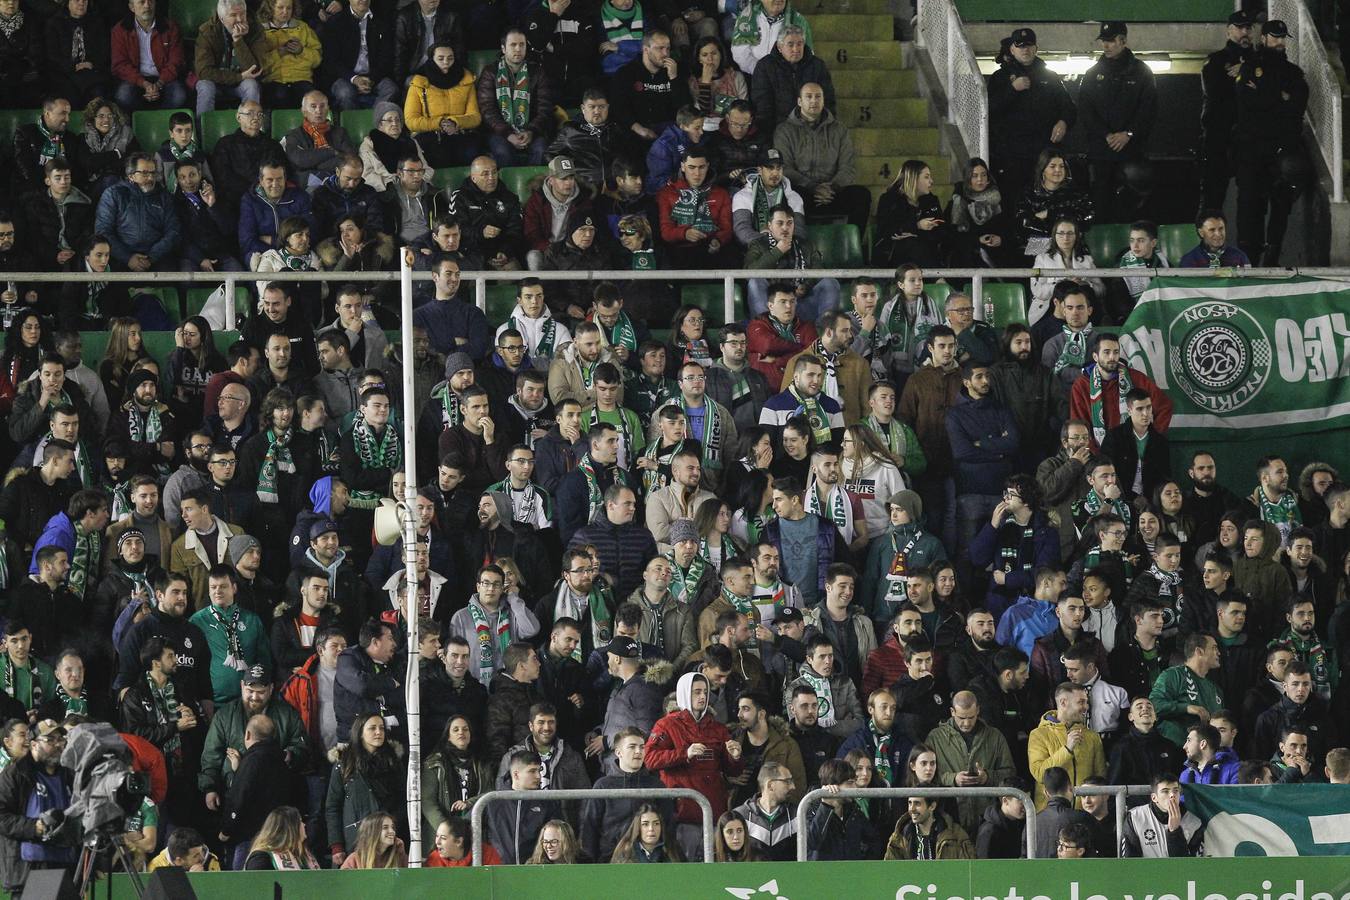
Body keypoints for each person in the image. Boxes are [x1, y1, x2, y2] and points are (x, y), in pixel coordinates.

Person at [644, 671, 744, 860]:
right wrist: (684, 753)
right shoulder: (666, 725)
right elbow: (649, 759)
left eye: (705, 692)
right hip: (682, 813)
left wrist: (735, 757)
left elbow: (733, 771)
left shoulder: (718, 728)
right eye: (696, 692)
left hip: (714, 812)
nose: (703, 696)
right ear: (683, 693)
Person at [1232, 19, 1309, 265]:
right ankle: (1249, 260)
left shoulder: (1294, 73)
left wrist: (1265, 94)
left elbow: (1296, 108)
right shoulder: (1249, 68)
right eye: (1274, 37)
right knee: (1250, 207)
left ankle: (1272, 259)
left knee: (1280, 206)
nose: (1279, 42)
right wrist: (1280, 98)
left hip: (1280, 150)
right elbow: (1246, 106)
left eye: (1282, 37)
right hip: (1252, 151)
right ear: (1263, 38)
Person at [987, 27, 1074, 209]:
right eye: (1020, 46)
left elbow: (1068, 107)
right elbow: (989, 110)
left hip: (1042, 154)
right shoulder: (1000, 78)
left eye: (1029, 46)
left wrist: (1063, 121)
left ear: (1036, 48)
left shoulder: (1050, 77)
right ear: (1012, 49)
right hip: (1011, 155)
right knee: (1013, 201)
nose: (1025, 50)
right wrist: (1012, 90)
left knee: (1045, 202)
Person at [774, 82, 869, 231]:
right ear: (799, 101)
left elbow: (848, 166)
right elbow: (784, 167)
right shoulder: (784, 130)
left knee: (861, 195)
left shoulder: (839, 130)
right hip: (803, 192)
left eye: (818, 97)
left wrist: (831, 188)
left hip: (832, 192)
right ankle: (796, 246)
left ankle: (852, 244)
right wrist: (812, 187)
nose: (814, 101)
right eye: (809, 96)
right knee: (786, 196)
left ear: (824, 100)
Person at [325, 714, 407, 865]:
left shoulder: (394, 763)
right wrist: (336, 845)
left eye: (382, 728)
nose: (378, 732)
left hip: (388, 845)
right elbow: (333, 807)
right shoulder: (344, 764)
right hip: (354, 842)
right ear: (360, 732)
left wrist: (391, 826)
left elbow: (403, 801)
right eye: (372, 728)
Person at [475, 28, 554, 167]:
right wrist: (508, 134)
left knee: (541, 149)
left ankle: (535, 187)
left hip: (532, 130)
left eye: (522, 45)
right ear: (503, 48)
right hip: (498, 131)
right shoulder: (491, 72)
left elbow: (545, 108)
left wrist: (530, 132)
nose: (518, 49)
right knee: (503, 152)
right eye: (513, 45)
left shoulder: (537, 72)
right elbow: (487, 109)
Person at [94, 152, 180, 271]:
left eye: (153, 173)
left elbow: (173, 231)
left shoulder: (164, 197)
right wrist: (128, 258)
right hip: (120, 257)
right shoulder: (114, 194)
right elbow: (103, 231)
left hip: (157, 258)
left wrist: (151, 257)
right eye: (144, 173)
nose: (150, 178)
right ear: (131, 176)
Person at [405, 43, 481, 168]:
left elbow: (475, 117)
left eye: (450, 58)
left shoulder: (466, 81)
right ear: (432, 60)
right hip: (430, 134)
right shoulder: (419, 83)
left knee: (471, 153)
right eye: (440, 58)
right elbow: (411, 121)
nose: (446, 62)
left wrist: (455, 122)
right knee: (438, 155)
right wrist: (439, 123)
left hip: (459, 132)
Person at [109, 0, 189, 111]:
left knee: (179, 95)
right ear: (132, 7)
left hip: (164, 78)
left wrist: (159, 83)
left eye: (150, 1)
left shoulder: (170, 27)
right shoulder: (120, 30)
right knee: (123, 96)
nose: (147, 5)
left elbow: (176, 61)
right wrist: (144, 84)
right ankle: (141, 123)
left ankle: (163, 121)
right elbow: (120, 65)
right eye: (141, 2)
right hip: (135, 79)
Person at [319, 0, 398, 111]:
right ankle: (353, 126)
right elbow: (331, 61)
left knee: (390, 89)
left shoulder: (382, 21)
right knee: (345, 93)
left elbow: (386, 58)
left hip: (373, 76)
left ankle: (376, 124)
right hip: (345, 76)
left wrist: (371, 79)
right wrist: (354, 79)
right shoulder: (336, 22)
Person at [1121, 775, 1202, 857]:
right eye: (1165, 791)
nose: (1172, 795)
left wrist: (1175, 832)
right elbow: (1129, 863)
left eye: (1176, 790)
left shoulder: (1194, 821)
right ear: (1154, 798)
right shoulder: (1135, 817)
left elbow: (1191, 865)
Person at [243, 805, 321, 870]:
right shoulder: (260, 859)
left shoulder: (302, 855)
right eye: (300, 821)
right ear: (290, 829)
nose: (304, 825)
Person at [1178, 208, 1250, 268]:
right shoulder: (1189, 261)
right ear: (1201, 233)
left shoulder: (1239, 257)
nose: (1218, 234)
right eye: (1212, 230)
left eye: (1221, 229)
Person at [339, 812, 408, 868]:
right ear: (372, 832)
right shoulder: (354, 859)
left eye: (392, 827)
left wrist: (400, 852)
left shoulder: (398, 856)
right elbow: (342, 883)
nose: (392, 831)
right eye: (385, 827)